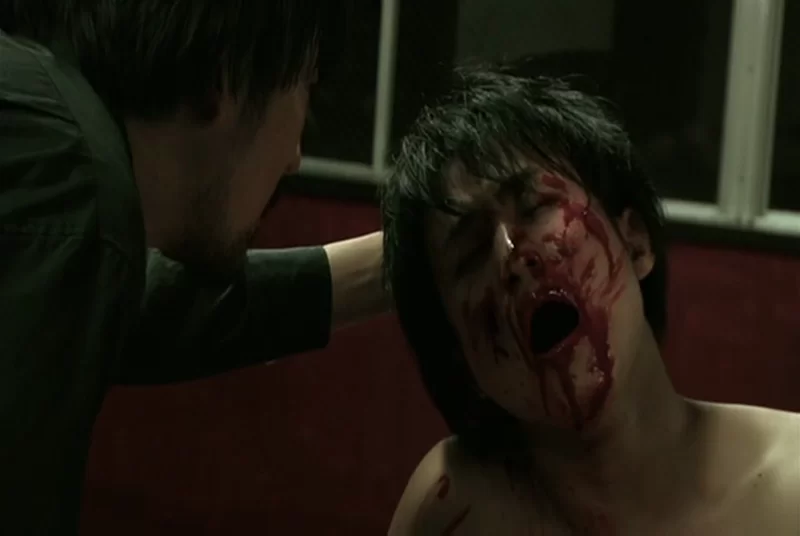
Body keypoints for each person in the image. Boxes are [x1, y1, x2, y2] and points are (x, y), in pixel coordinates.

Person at [0, 1, 387, 533]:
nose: (295, 156)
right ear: (225, 77)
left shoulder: (44, 126)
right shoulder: (78, 190)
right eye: (306, 88)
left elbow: (134, 310)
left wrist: (396, 264)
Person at [381, 67, 800, 534]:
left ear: (636, 242)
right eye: (472, 252)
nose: (512, 256)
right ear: (461, 355)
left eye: (535, 207)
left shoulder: (791, 485)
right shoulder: (450, 507)